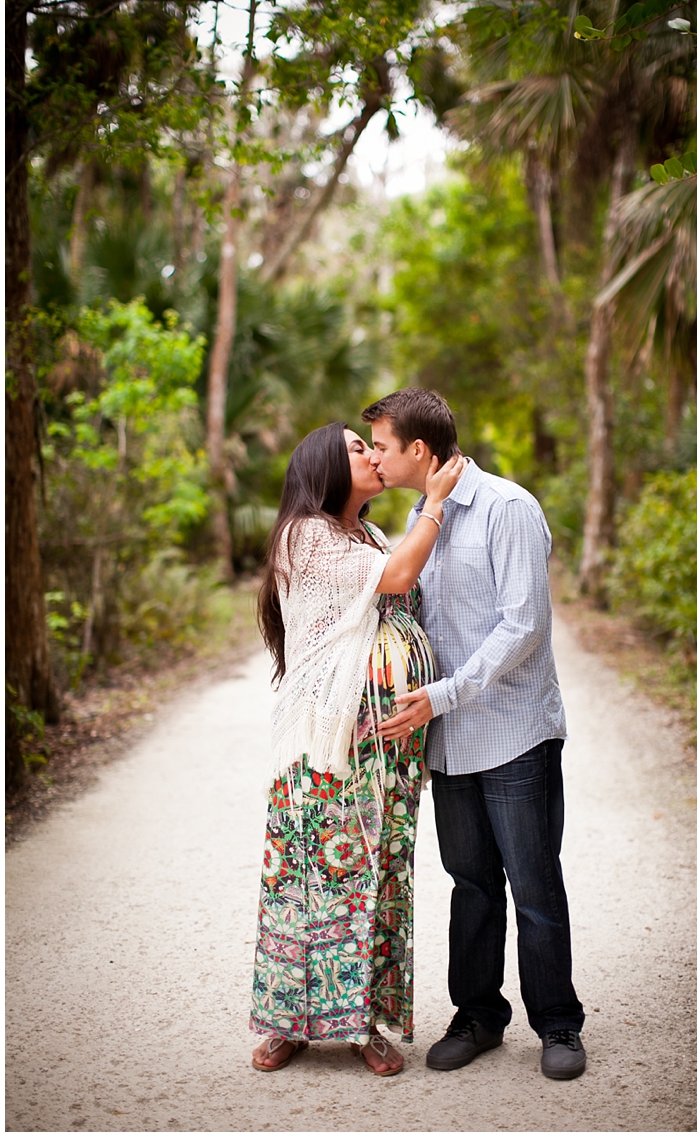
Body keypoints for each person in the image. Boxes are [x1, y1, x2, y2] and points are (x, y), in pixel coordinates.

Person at [362, 388, 586, 1080]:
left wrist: (444, 693)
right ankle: (480, 1014)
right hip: (449, 737)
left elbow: (523, 626)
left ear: (419, 451)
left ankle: (558, 1024)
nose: (373, 455)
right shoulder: (418, 514)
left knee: (533, 882)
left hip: (513, 731)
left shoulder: (508, 509)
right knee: (471, 882)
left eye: (382, 445)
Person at [250, 421, 465, 1076]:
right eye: (356, 447)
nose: (372, 454)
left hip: (384, 746)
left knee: (377, 876)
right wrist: (433, 505)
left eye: (373, 445)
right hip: (322, 739)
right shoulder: (305, 535)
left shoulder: (367, 533)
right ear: (323, 467)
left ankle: (364, 1021)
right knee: (302, 880)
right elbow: (399, 577)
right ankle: (289, 1020)